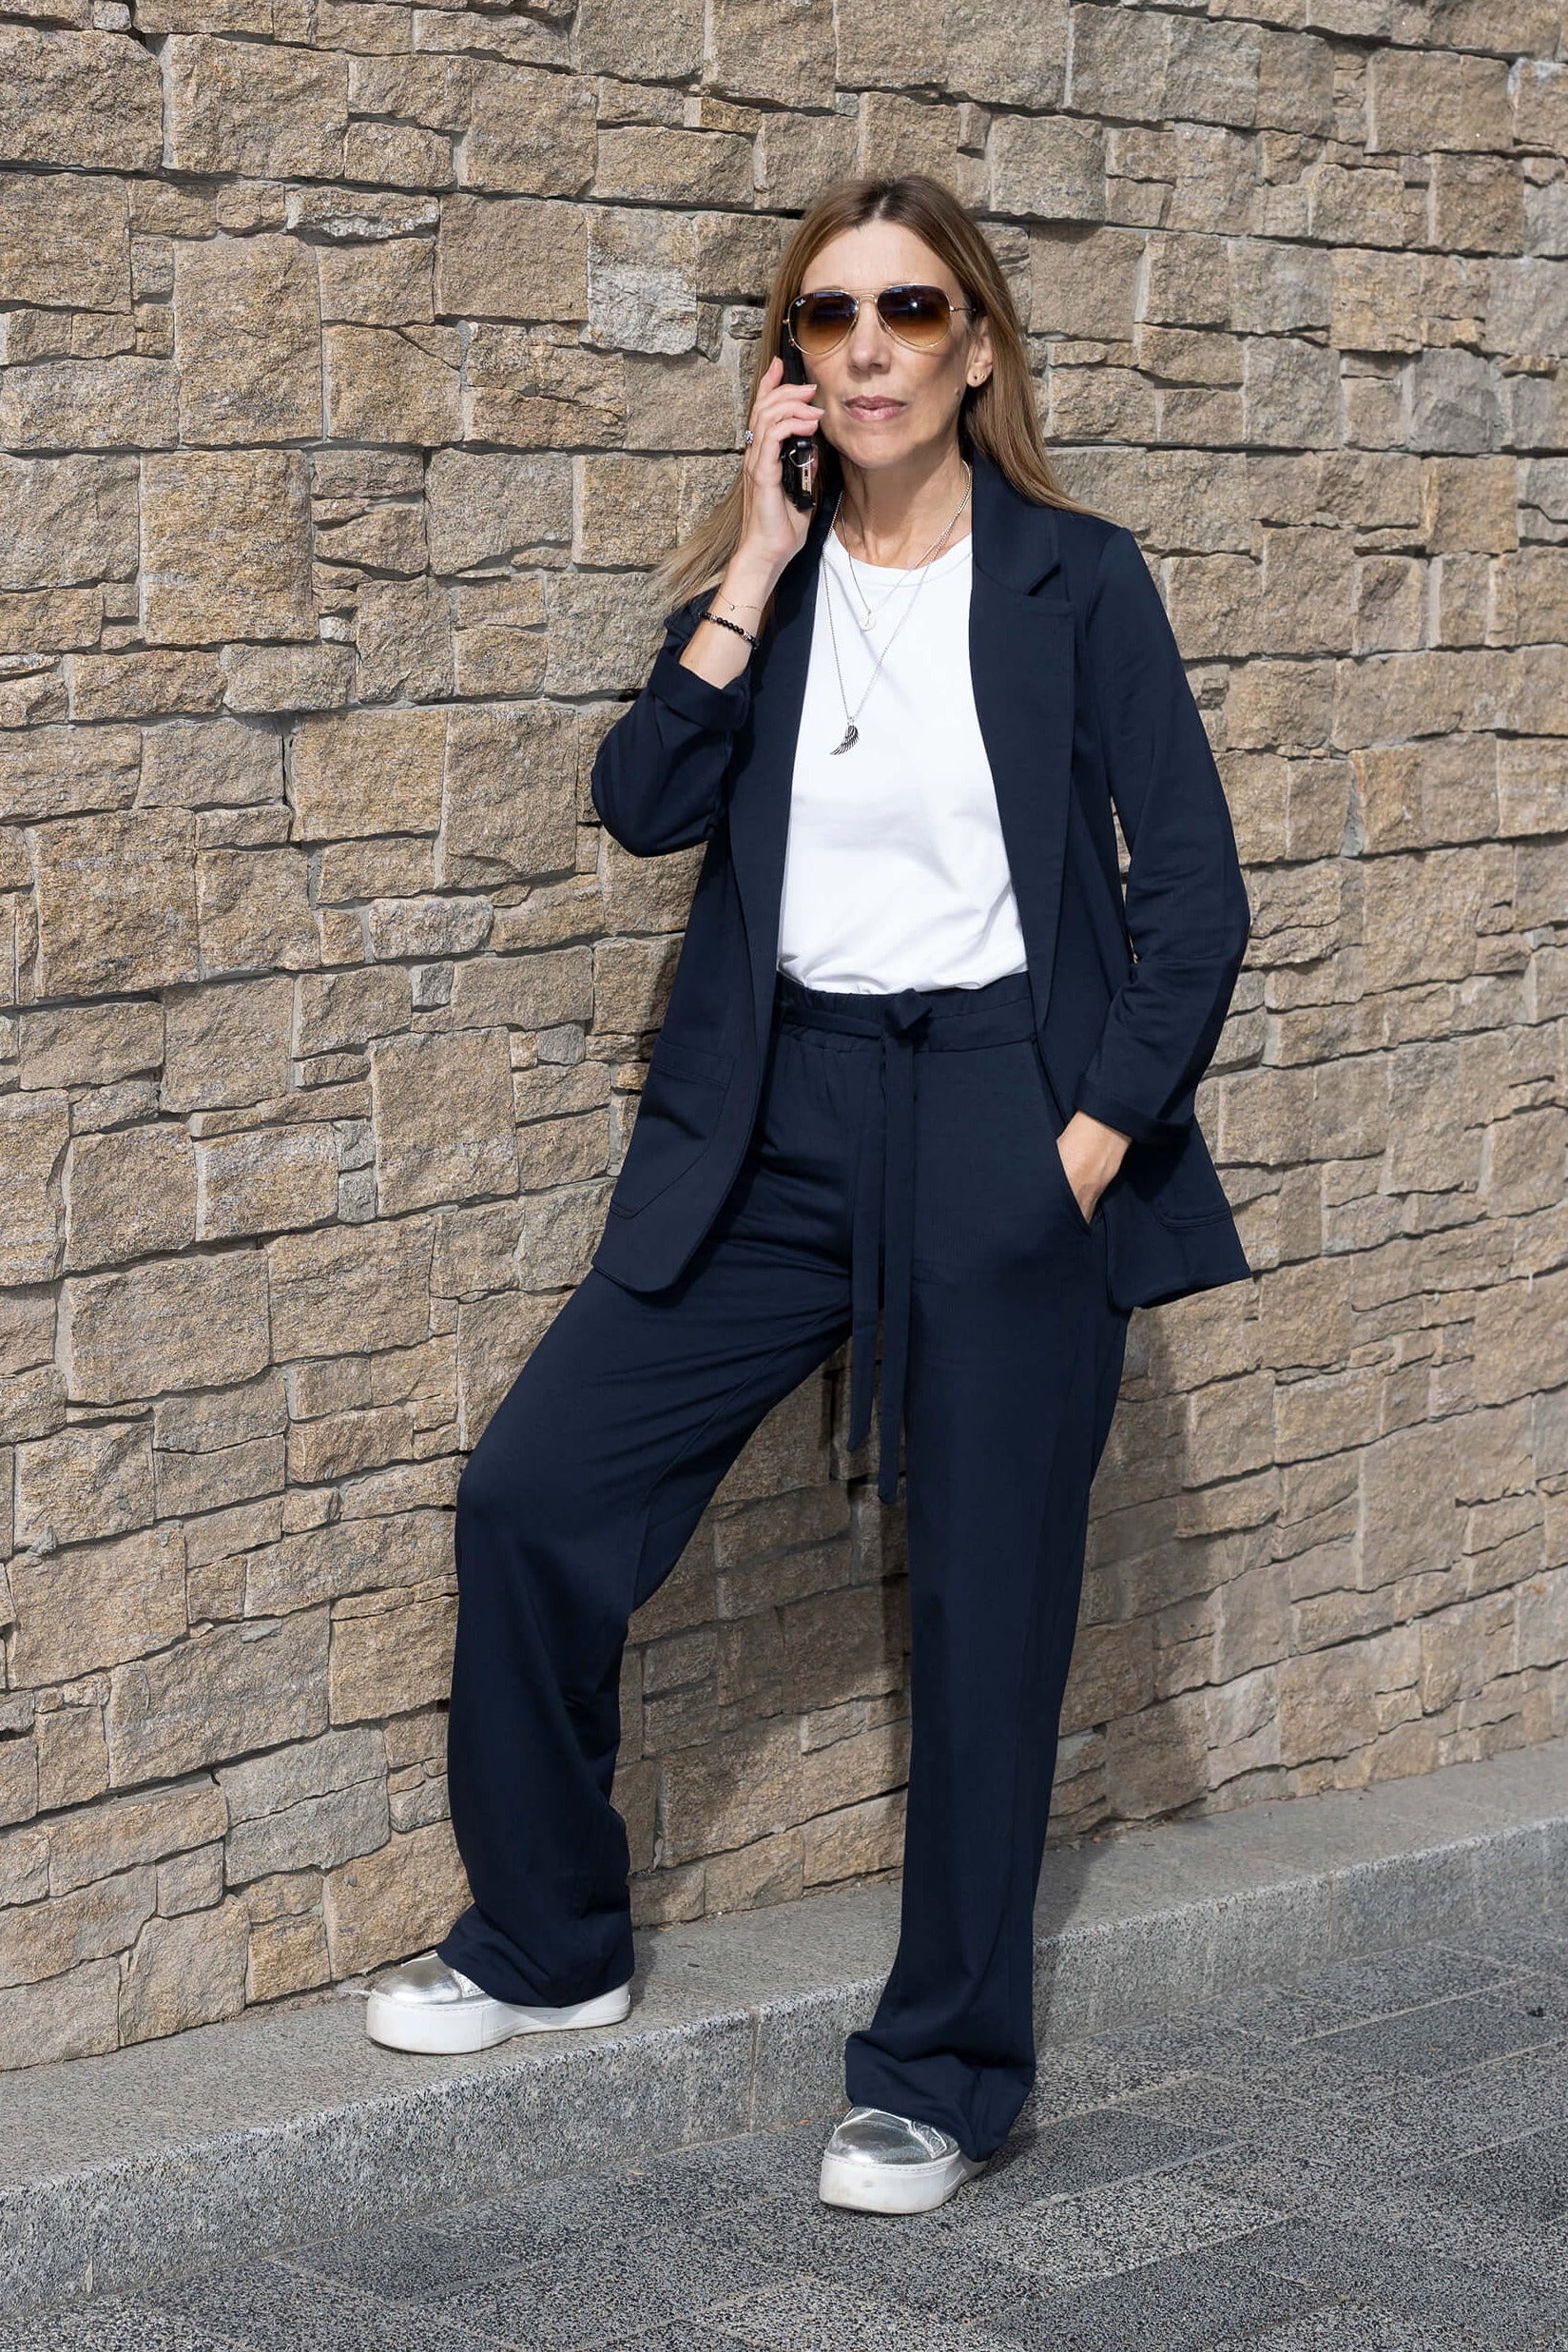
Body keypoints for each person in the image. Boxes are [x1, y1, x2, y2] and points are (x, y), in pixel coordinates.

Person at [364, 171, 1252, 2218]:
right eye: (829, 315)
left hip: (1003, 1111)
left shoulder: (1077, 580)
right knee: (534, 1492)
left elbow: (1194, 898)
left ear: (977, 348)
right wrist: (755, 561)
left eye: (909, 309)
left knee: (988, 1607)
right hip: (774, 1121)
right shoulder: (765, 585)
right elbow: (640, 799)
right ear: (789, 362)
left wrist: (1082, 1148)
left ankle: (943, 2071)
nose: (869, 347)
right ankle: (551, 1939)